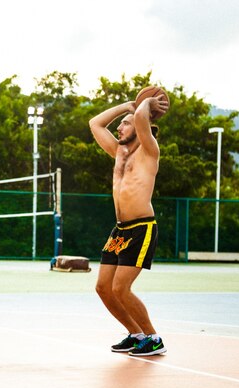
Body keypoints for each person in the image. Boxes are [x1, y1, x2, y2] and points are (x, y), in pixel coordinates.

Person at [88, 93, 169, 356]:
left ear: (139, 128)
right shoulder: (119, 153)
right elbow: (95, 124)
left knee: (121, 288)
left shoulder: (149, 150)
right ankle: (136, 334)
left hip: (142, 227)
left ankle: (153, 338)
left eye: (126, 123)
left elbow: (142, 120)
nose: (120, 127)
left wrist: (145, 106)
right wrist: (127, 106)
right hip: (120, 229)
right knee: (103, 288)